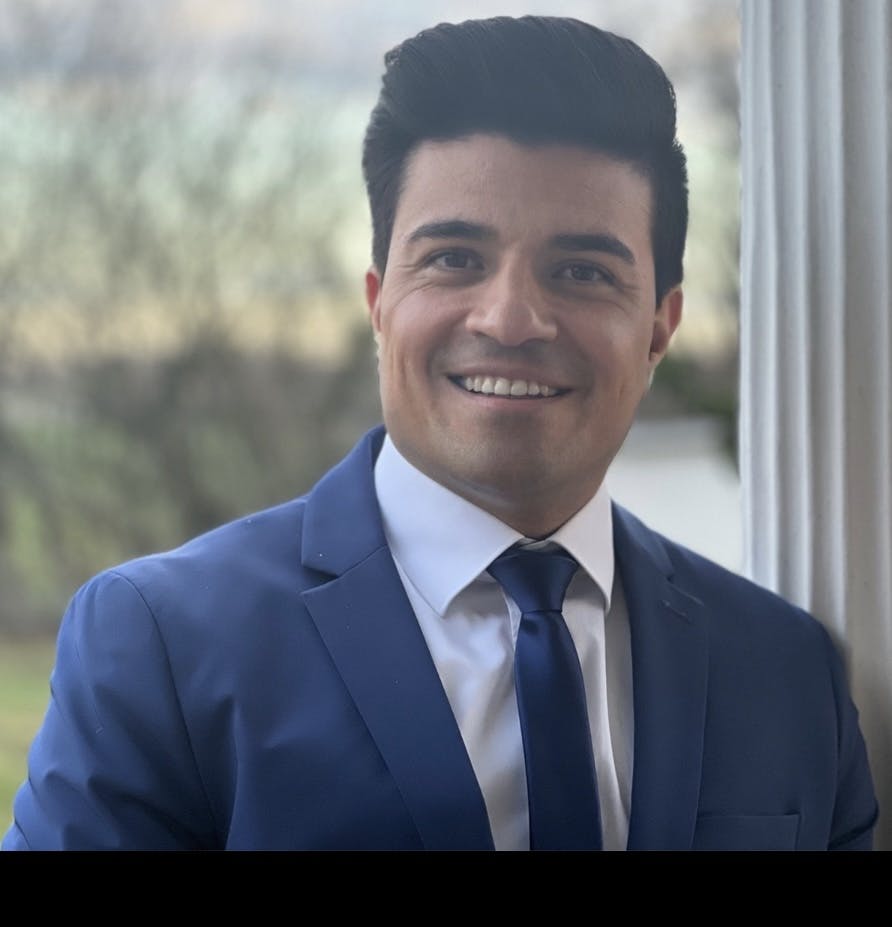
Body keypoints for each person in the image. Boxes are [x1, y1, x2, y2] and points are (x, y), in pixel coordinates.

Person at [2, 15, 878, 852]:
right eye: (455, 259)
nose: (511, 318)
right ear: (379, 300)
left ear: (659, 327)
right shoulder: (161, 646)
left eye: (582, 270)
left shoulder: (786, 671)